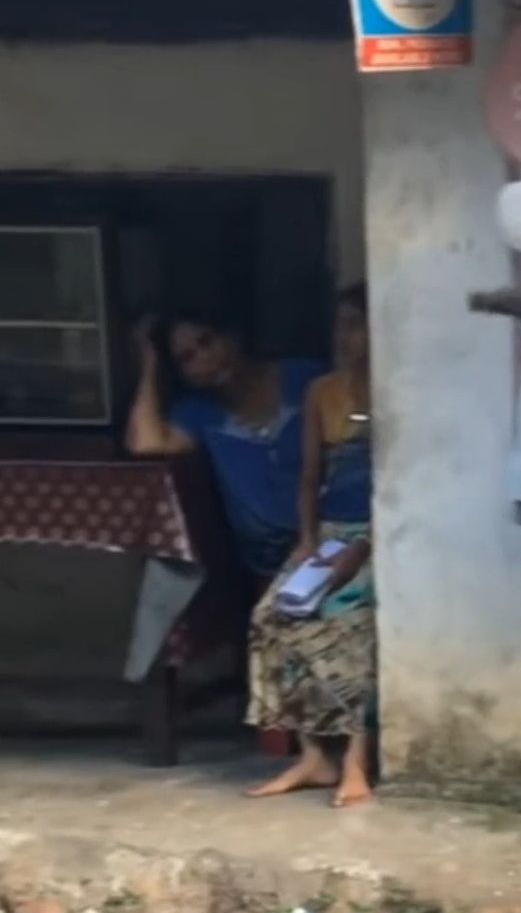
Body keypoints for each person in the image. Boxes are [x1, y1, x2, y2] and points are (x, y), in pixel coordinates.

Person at [244, 284, 379, 807]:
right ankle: (312, 757)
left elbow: (401, 483)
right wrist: (306, 542)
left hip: (377, 537)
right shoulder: (323, 392)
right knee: (274, 618)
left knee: (351, 629)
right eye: (342, 325)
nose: (348, 337)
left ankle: (355, 764)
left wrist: (363, 547)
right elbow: (309, 477)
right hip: (327, 534)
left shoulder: (397, 390)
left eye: (358, 324)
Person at [123, 306, 326, 589]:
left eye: (207, 341)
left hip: (332, 545)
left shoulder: (304, 380)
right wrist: (149, 361)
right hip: (269, 568)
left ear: (232, 335)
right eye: (187, 358)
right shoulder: (198, 413)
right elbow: (145, 444)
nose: (204, 359)